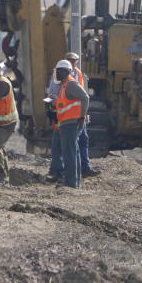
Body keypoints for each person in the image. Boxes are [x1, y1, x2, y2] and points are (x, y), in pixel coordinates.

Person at [55, 60, 89, 188]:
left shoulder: (70, 84)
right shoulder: (65, 85)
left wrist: (82, 116)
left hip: (72, 123)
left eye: (60, 71)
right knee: (73, 152)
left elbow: (85, 97)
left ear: (67, 71)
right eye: (57, 70)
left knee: (69, 153)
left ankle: (71, 183)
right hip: (68, 122)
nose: (57, 73)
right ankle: (75, 182)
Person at [65, 52, 99, 178]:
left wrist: (83, 114)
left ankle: (84, 168)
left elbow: (83, 95)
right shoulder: (60, 75)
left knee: (83, 141)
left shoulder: (78, 74)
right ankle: (67, 172)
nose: (72, 63)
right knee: (68, 143)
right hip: (68, 115)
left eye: (74, 61)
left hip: (79, 114)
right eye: (70, 60)